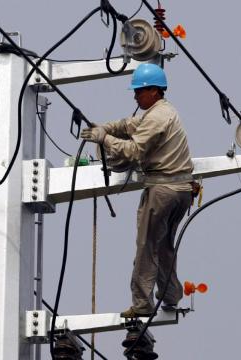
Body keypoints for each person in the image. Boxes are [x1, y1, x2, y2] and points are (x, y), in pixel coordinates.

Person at [80, 63, 194, 318]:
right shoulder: (163, 112)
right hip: (182, 190)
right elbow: (131, 125)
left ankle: (142, 304)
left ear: (154, 91)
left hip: (163, 190)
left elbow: (132, 151)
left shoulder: (156, 117)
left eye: (139, 91)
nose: (135, 96)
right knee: (164, 245)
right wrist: (107, 128)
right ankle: (170, 295)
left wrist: (103, 139)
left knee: (147, 247)